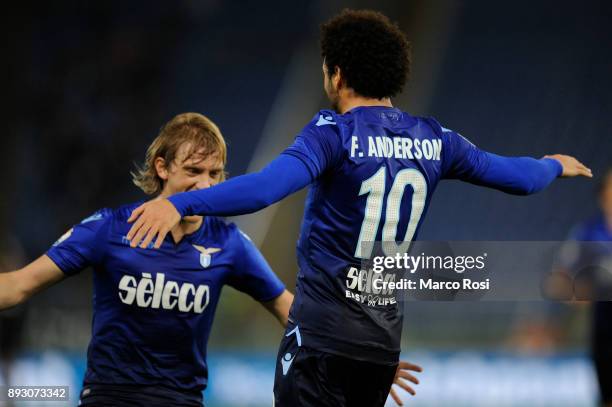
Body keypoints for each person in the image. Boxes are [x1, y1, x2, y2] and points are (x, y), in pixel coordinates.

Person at [124, 10, 592, 407]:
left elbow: (266, 189)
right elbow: (520, 178)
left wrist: (180, 201)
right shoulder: (435, 138)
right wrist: (552, 164)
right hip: (380, 349)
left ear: (338, 74)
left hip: (320, 342)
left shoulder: (333, 132)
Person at [0, 112, 420, 406]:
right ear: (162, 168)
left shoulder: (228, 243)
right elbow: (18, 285)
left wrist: (358, 358)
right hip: (110, 398)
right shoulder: (109, 229)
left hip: (182, 401)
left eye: (215, 174)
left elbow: (287, 308)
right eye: (194, 172)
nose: (206, 185)